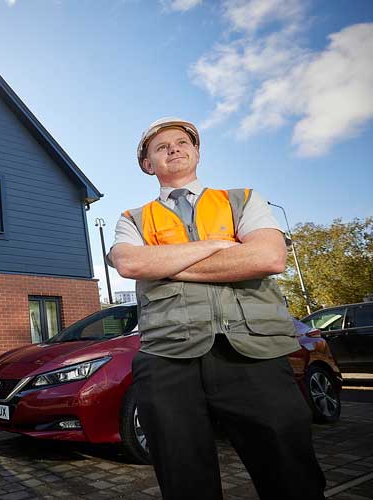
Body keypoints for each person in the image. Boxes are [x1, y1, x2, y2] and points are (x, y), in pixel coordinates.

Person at [108, 117, 326, 500]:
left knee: (291, 475)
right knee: (185, 482)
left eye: (182, 142)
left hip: (254, 351)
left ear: (197, 152)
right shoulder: (133, 219)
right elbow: (129, 263)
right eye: (161, 146)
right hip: (166, 356)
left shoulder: (241, 199)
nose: (174, 148)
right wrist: (218, 246)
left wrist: (166, 265)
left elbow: (269, 257)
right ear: (147, 164)